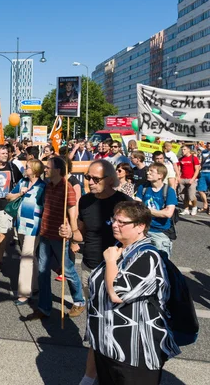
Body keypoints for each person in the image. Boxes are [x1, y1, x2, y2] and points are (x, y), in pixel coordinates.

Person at [87, 201, 180, 384]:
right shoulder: (118, 248)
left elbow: (116, 294)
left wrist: (111, 262)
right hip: (106, 346)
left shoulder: (148, 257)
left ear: (141, 226)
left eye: (122, 222)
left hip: (135, 352)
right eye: (114, 219)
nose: (114, 224)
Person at [64, 160, 131, 385]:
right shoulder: (85, 200)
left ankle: (116, 368)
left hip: (118, 271)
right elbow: (81, 234)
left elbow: (136, 239)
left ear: (110, 180)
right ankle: (90, 375)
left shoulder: (124, 203)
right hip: (90, 268)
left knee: (117, 324)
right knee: (95, 323)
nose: (90, 182)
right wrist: (70, 231)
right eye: (87, 177)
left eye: (95, 179)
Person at [24, 157, 86, 321]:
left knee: (67, 270)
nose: (45, 170)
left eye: (48, 167)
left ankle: (79, 301)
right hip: (46, 233)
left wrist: (73, 237)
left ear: (58, 170)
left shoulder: (68, 188)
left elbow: (73, 214)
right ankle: (44, 308)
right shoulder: (48, 186)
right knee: (43, 272)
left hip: (60, 236)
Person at [6, 159, 46, 305]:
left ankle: (24, 293)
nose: (24, 168)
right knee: (30, 256)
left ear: (34, 170)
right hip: (20, 224)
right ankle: (34, 286)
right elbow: (8, 196)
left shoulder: (42, 186)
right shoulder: (22, 182)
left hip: (34, 225)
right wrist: (19, 194)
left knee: (26, 257)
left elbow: (45, 206)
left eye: (27, 167)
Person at [135, 162, 177, 257]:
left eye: (151, 171)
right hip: (143, 231)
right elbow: (137, 207)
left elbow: (168, 213)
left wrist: (145, 210)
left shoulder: (169, 191)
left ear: (160, 176)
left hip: (160, 233)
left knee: (162, 264)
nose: (147, 173)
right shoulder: (143, 187)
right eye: (148, 171)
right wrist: (158, 212)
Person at [177, 145, 200, 215]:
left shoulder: (194, 158)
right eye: (182, 150)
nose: (182, 151)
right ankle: (186, 209)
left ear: (188, 150)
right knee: (183, 196)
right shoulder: (181, 159)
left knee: (191, 195)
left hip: (191, 179)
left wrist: (193, 179)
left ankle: (194, 207)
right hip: (182, 179)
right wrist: (178, 178)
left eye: (184, 149)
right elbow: (178, 169)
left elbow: (197, 170)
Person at [198, 142, 210, 214]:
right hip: (203, 172)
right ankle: (205, 204)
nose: (209, 145)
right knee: (200, 190)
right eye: (208, 143)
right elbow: (201, 161)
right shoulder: (203, 152)